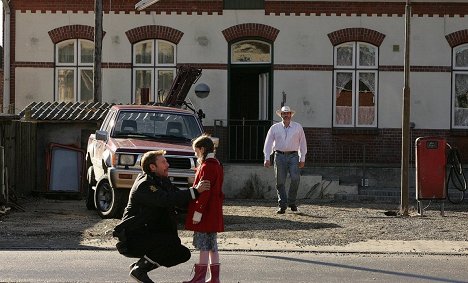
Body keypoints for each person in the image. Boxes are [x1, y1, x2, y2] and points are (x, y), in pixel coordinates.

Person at [113, 150, 210, 283]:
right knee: (168, 243)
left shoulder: (163, 182)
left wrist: (203, 206)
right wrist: (194, 191)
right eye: (163, 162)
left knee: (181, 253)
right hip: (133, 238)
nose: (168, 165)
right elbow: (165, 199)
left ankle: (141, 264)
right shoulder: (144, 184)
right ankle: (139, 270)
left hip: (150, 235)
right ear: (152, 167)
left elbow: (179, 200)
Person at [183, 134, 224, 283]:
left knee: (203, 244)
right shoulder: (217, 165)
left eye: (196, 151)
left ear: (202, 149)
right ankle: (214, 277)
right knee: (212, 245)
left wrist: (198, 212)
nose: (195, 154)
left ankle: (200, 277)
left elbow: (204, 192)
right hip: (214, 210)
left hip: (205, 211)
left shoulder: (207, 166)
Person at [263, 105, 307, 214]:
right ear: (281, 115)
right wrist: (267, 157)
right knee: (280, 181)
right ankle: (282, 205)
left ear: (291, 115)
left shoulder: (298, 127)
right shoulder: (274, 128)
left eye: (288, 113)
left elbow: (303, 143)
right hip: (279, 155)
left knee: (296, 178)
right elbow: (268, 143)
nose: (286, 115)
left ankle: (292, 202)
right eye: (284, 113)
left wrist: (302, 158)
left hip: (293, 155)